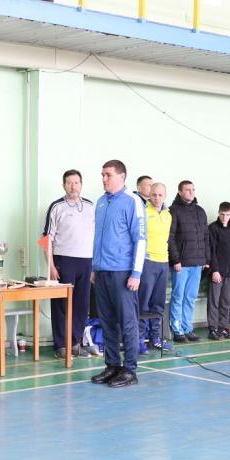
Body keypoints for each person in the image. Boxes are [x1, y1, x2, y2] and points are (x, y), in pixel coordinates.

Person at [91, 160, 146, 388]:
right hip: (102, 271)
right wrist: (94, 268)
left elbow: (140, 239)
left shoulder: (133, 201)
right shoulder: (101, 202)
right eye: (102, 174)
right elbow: (97, 238)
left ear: (122, 177)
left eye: (108, 175)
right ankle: (112, 365)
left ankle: (130, 369)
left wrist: (136, 273)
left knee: (128, 322)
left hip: (123, 273)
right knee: (107, 322)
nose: (104, 179)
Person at [42, 169, 95, 359]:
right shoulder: (57, 207)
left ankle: (75, 343)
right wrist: (51, 267)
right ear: (64, 185)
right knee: (62, 304)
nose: (73, 187)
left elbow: (96, 236)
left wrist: (95, 266)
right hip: (64, 260)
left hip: (86, 261)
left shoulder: (90, 206)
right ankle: (61, 345)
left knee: (81, 304)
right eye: (69, 183)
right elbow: (46, 239)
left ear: (81, 184)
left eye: (76, 183)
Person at [167, 180, 210, 342]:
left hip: (197, 263)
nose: (191, 192)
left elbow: (205, 236)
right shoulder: (173, 210)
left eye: (193, 189)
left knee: (190, 297)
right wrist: (175, 259)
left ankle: (187, 328)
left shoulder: (200, 211)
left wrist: (206, 258)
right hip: (181, 264)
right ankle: (177, 330)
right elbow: (170, 238)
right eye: (187, 190)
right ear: (180, 192)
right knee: (178, 296)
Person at [138, 182, 172, 353]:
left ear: (165, 196)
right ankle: (139, 339)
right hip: (147, 262)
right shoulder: (143, 212)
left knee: (158, 303)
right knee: (143, 302)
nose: (157, 198)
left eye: (160, 195)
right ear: (149, 195)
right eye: (154, 195)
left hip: (163, 263)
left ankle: (155, 338)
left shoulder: (168, 215)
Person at [207, 202, 230, 340]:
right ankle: (213, 329)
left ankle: (223, 327)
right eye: (222, 214)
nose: (224, 217)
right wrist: (214, 270)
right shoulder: (212, 228)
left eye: (227, 214)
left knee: (226, 302)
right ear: (219, 213)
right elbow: (211, 251)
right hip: (217, 272)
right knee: (214, 301)